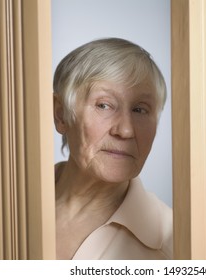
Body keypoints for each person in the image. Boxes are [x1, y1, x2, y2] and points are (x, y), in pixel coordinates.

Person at [53, 38, 173, 260]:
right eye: (104, 105)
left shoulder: (175, 244)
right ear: (61, 115)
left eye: (140, 109)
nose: (125, 130)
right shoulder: (3, 204)